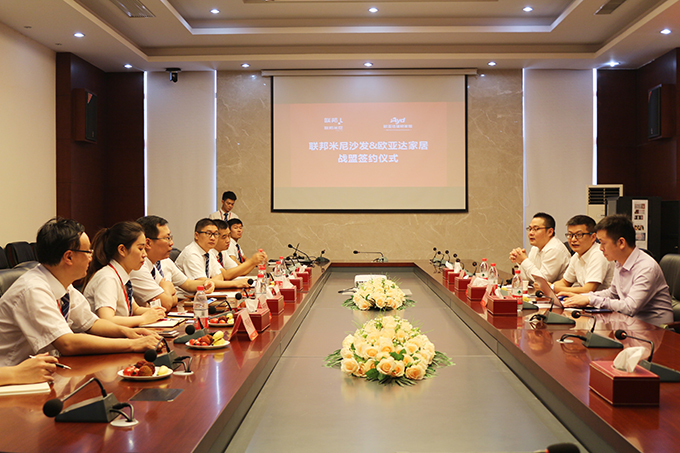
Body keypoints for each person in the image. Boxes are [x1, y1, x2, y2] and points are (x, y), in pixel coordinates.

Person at [0, 217, 161, 367]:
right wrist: (132, 344)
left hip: (47, 369)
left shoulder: (62, 283)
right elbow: (67, 343)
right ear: (69, 257)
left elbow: (92, 323)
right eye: (87, 252)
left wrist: (129, 332)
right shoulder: (33, 289)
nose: (91, 257)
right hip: (14, 376)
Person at [563, 214, 673, 326]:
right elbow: (613, 293)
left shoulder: (646, 268)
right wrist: (583, 297)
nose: (601, 248)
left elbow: (630, 307)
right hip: (630, 324)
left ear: (621, 243)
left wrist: (590, 300)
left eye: (603, 243)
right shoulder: (620, 262)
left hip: (655, 329)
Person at [83, 221, 166, 327]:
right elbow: (107, 319)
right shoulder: (108, 278)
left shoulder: (120, 275)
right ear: (122, 250)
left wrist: (154, 312)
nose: (145, 254)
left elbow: (134, 309)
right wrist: (143, 318)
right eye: (140, 249)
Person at [129, 215, 215, 311]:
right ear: (148, 243)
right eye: (167, 238)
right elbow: (167, 304)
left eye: (170, 237)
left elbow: (186, 284)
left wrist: (205, 283)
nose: (171, 243)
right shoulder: (138, 267)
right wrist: (168, 291)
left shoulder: (157, 263)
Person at [175, 218, 251, 291]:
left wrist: (210, 281)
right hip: (185, 298)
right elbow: (204, 284)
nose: (213, 238)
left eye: (216, 234)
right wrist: (235, 283)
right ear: (196, 235)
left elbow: (220, 276)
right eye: (208, 234)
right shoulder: (192, 254)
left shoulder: (208, 252)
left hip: (205, 294)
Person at [554, 215, 614, 294]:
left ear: (593, 237)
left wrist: (555, 288)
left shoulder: (599, 254)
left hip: (604, 301)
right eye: (570, 235)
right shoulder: (576, 256)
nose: (573, 239)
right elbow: (565, 282)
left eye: (579, 235)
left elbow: (588, 290)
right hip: (585, 300)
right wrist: (549, 287)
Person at [509, 212, 570, 283]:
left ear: (550, 232)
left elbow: (542, 281)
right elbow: (527, 279)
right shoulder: (535, 248)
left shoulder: (555, 249)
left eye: (536, 229)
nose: (531, 233)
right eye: (530, 229)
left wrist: (524, 260)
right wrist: (520, 262)